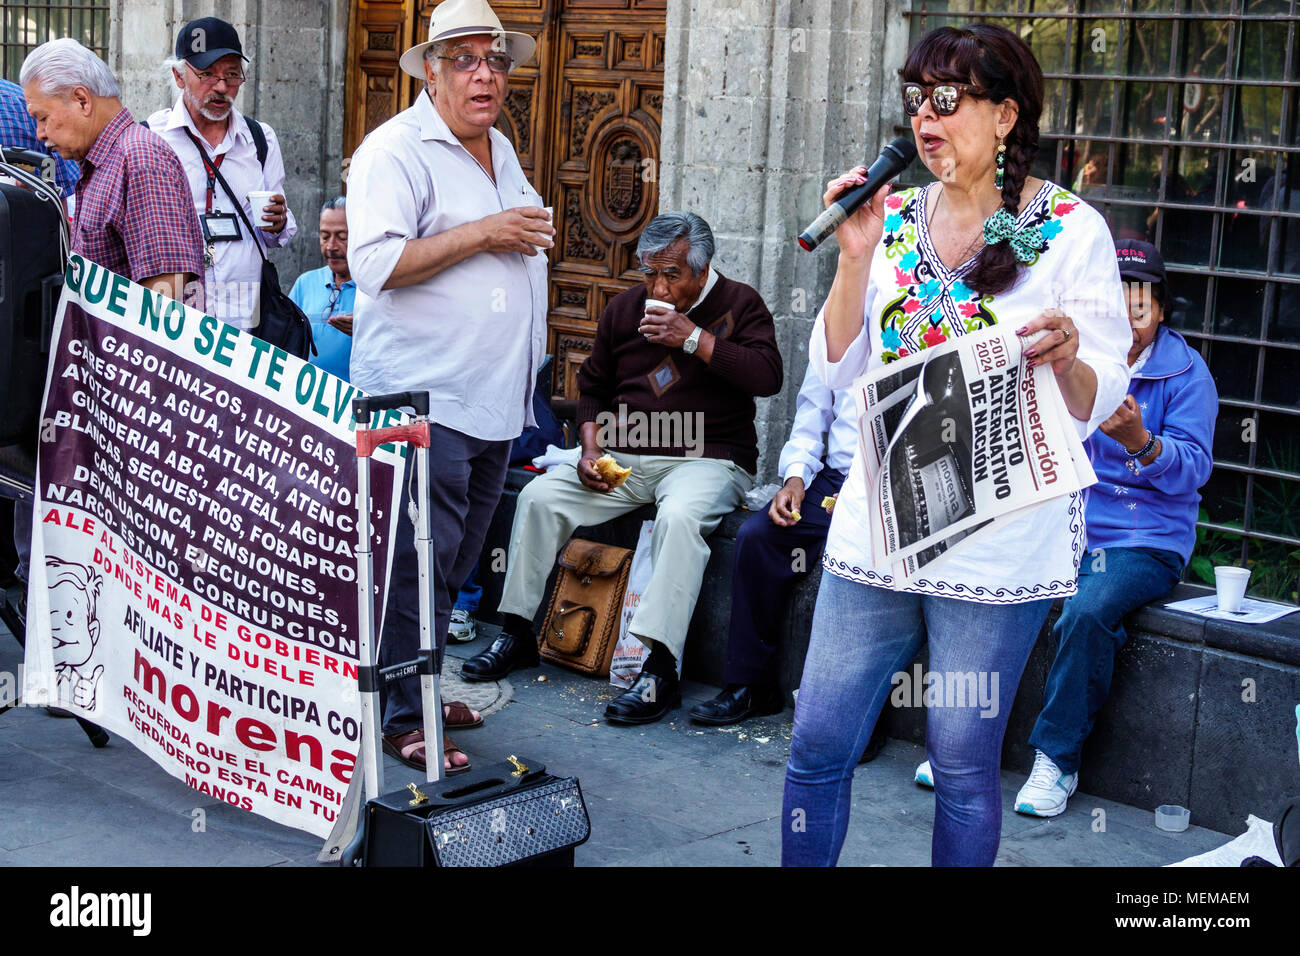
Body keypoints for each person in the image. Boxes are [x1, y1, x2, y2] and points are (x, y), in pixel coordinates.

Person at [782, 23, 1131, 867]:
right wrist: (854, 261)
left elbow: (1102, 394)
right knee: (818, 740)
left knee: (965, 763)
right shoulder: (893, 218)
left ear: (1006, 115)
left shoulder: (1072, 228)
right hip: (881, 523)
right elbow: (835, 368)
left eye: (947, 100)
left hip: (997, 540)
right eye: (915, 101)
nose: (925, 121)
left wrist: (1072, 356)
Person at [462, 211, 784, 727]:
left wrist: (691, 338)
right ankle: (517, 632)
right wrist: (588, 448)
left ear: (702, 271)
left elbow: (768, 376)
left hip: (708, 458)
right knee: (541, 497)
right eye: (649, 273)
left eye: (671, 275)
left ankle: (659, 668)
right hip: (626, 456)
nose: (658, 286)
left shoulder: (741, 303)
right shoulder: (625, 309)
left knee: (680, 519)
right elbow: (593, 388)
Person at [345, 0, 553, 775]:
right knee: (415, 564)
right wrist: (491, 233)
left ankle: (422, 687)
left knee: (454, 561)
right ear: (430, 71)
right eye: (465, 59)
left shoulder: (498, 146)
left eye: (495, 60)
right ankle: (404, 716)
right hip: (421, 397)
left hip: (494, 400)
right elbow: (375, 264)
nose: (484, 74)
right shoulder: (394, 151)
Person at [1009, 240, 1217, 816]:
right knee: (998, 588)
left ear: (1162, 307)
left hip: (1143, 538)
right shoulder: (1075, 356)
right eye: (1115, 295)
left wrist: (1143, 445)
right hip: (1062, 520)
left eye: (1140, 299)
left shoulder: (1186, 375)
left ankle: (1057, 762)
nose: (1127, 309)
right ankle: (969, 745)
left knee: (1088, 609)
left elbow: (1194, 473)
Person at [689, 368, 866, 730]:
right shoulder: (840, 315)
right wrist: (796, 478)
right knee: (759, 537)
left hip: (898, 479)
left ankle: (861, 712)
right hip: (837, 478)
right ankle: (751, 684)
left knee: (871, 558)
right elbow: (814, 410)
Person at [147, 17, 296, 331]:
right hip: (174, 323)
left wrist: (279, 221)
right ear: (178, 75)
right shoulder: (150, 139)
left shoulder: (260, 139)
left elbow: (275, 234)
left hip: (245, 323)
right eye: (207, 74)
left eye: (231, 75)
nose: (221, 87)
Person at [289, 196, 354, 381]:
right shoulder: (305, 283)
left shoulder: (375, 288)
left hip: (357, 402)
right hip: (308, 399)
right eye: (325, 236)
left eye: (342, 237)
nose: (331, 247)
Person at [0, 77, 80, 196]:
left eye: (43, 119)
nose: (40, 134)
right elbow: (63, 192)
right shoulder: (24, 99)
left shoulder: (28, 101)